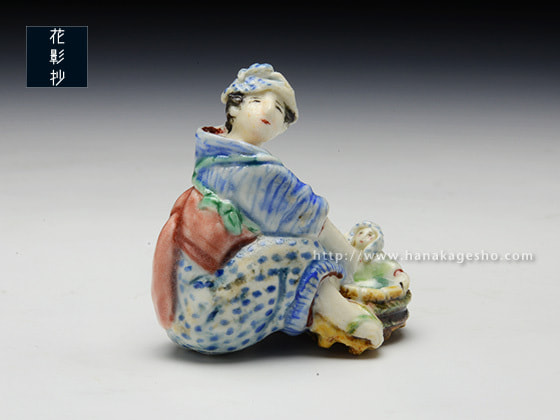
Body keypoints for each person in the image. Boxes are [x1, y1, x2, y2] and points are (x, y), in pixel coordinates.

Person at [152, 63, 383, 354]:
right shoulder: (255, 171)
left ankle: (326, 304)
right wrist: (356, 267)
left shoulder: (213, 156)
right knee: (303, 251)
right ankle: (343, 317)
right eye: (257, 100)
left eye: (278, 109)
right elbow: (315, 223)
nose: (268, 111)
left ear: (282, 126)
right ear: (234, 107)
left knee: (292, 246)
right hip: (210, 321)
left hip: (182, 318)